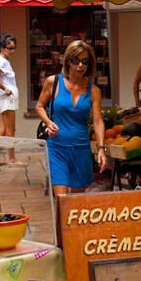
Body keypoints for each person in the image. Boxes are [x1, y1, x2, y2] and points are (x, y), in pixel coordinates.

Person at [35, 40, 107, 197]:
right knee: (62, 200)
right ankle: (60, 221)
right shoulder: (53, 82)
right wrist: (48, 122)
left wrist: (101, 148)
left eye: (85, 61)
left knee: (75, 203)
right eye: (76, 61)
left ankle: (65, 223)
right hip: (57, 147)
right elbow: (39, 106)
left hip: (81, 149)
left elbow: (97, 121)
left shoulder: (94, 91)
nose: (80, 65)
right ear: (68, 61)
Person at [0, 33, 25, 167]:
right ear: (2, 47)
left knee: (3, 130)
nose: (12, 51)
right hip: (6, 98)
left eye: (14, 48)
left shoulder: (1, 59)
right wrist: (6, 89)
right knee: (10, 130)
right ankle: (12, 159)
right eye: (10, 48)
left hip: (5, 98)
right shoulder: (2, 61)